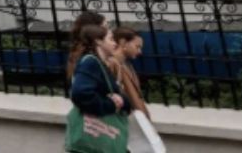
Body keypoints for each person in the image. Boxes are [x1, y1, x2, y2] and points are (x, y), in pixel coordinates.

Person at [65, 21, 130, 153]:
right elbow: (81, 94)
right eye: (111, 39)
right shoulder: (91, 63)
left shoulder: (99, 64)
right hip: (96, 135)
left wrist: (122, 102)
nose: (115, 43)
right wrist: (111, 104)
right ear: (98, 41)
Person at [110, 28, 167, 153]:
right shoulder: (113, 64)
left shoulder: (126, 64)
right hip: (124, 125)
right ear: (123, 42)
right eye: (137, 46)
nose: (140, 51)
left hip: (135, 123)